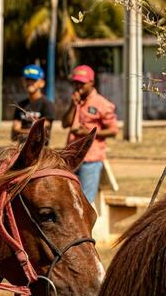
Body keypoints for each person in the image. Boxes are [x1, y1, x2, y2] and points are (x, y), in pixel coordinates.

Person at [61, 64, 118, 204]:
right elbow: (64, 123)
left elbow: (113, 131)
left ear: (91, 82)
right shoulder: (76, 101)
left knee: (84, 201)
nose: (78, 85)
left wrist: (90, 133)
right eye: (76, 82)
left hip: (90, 160)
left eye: (82, 83)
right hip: (71, 157)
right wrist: (73, 106)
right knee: (69, 201)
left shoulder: (102, 104)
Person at [11, 64, 54, 144]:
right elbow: (15, 130)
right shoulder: (20, 104)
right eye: (27, 79)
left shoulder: (47, 104)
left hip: (40, 150)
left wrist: (21, 131)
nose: (30, 83)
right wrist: (31, 132)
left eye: (34, 80)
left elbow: (41, 130)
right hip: (21, 147)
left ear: (42, 83)